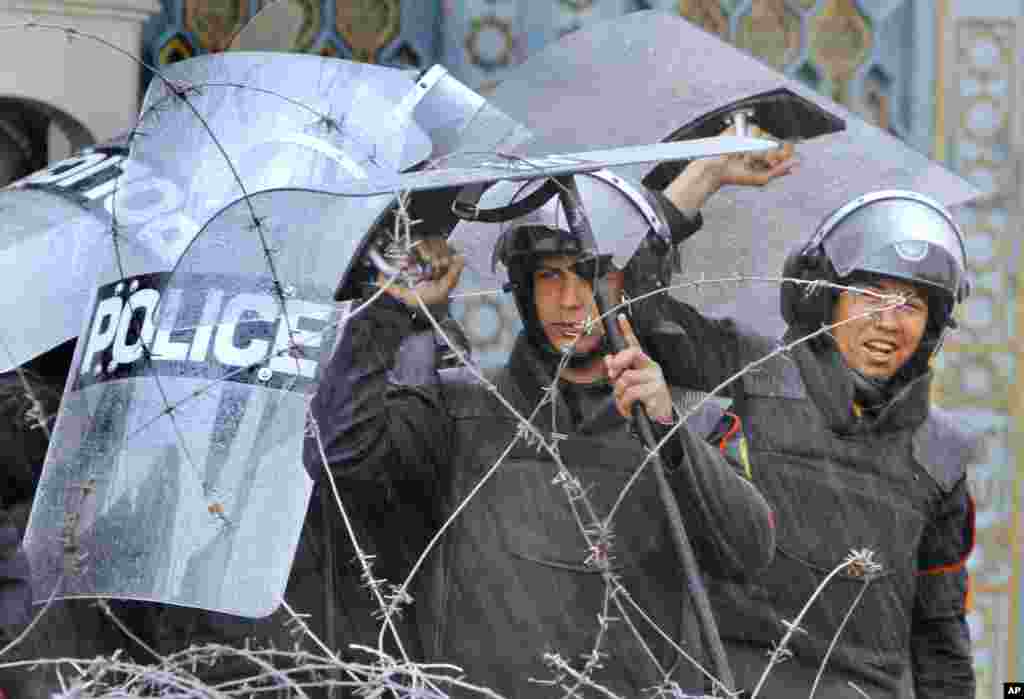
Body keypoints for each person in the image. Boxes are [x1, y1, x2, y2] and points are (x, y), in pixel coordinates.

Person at [305, 175, 779, 697]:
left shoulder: (698, 419)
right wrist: (388, 310)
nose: (572, 300)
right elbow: (338, 457)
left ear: (635, 285)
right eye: (550, 276)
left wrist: (668, 433)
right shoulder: (457, 406)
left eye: (591, 274)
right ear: (524, 288)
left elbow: (747, 552)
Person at [639, 154, 976, 699]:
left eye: (911, 304)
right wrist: (702, 178)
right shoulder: (748, 372)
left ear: (934, 328)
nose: (888, 321)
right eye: (870, 295)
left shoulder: (938, 456)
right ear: (824, 298)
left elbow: (940, 641)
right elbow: (628, 308)